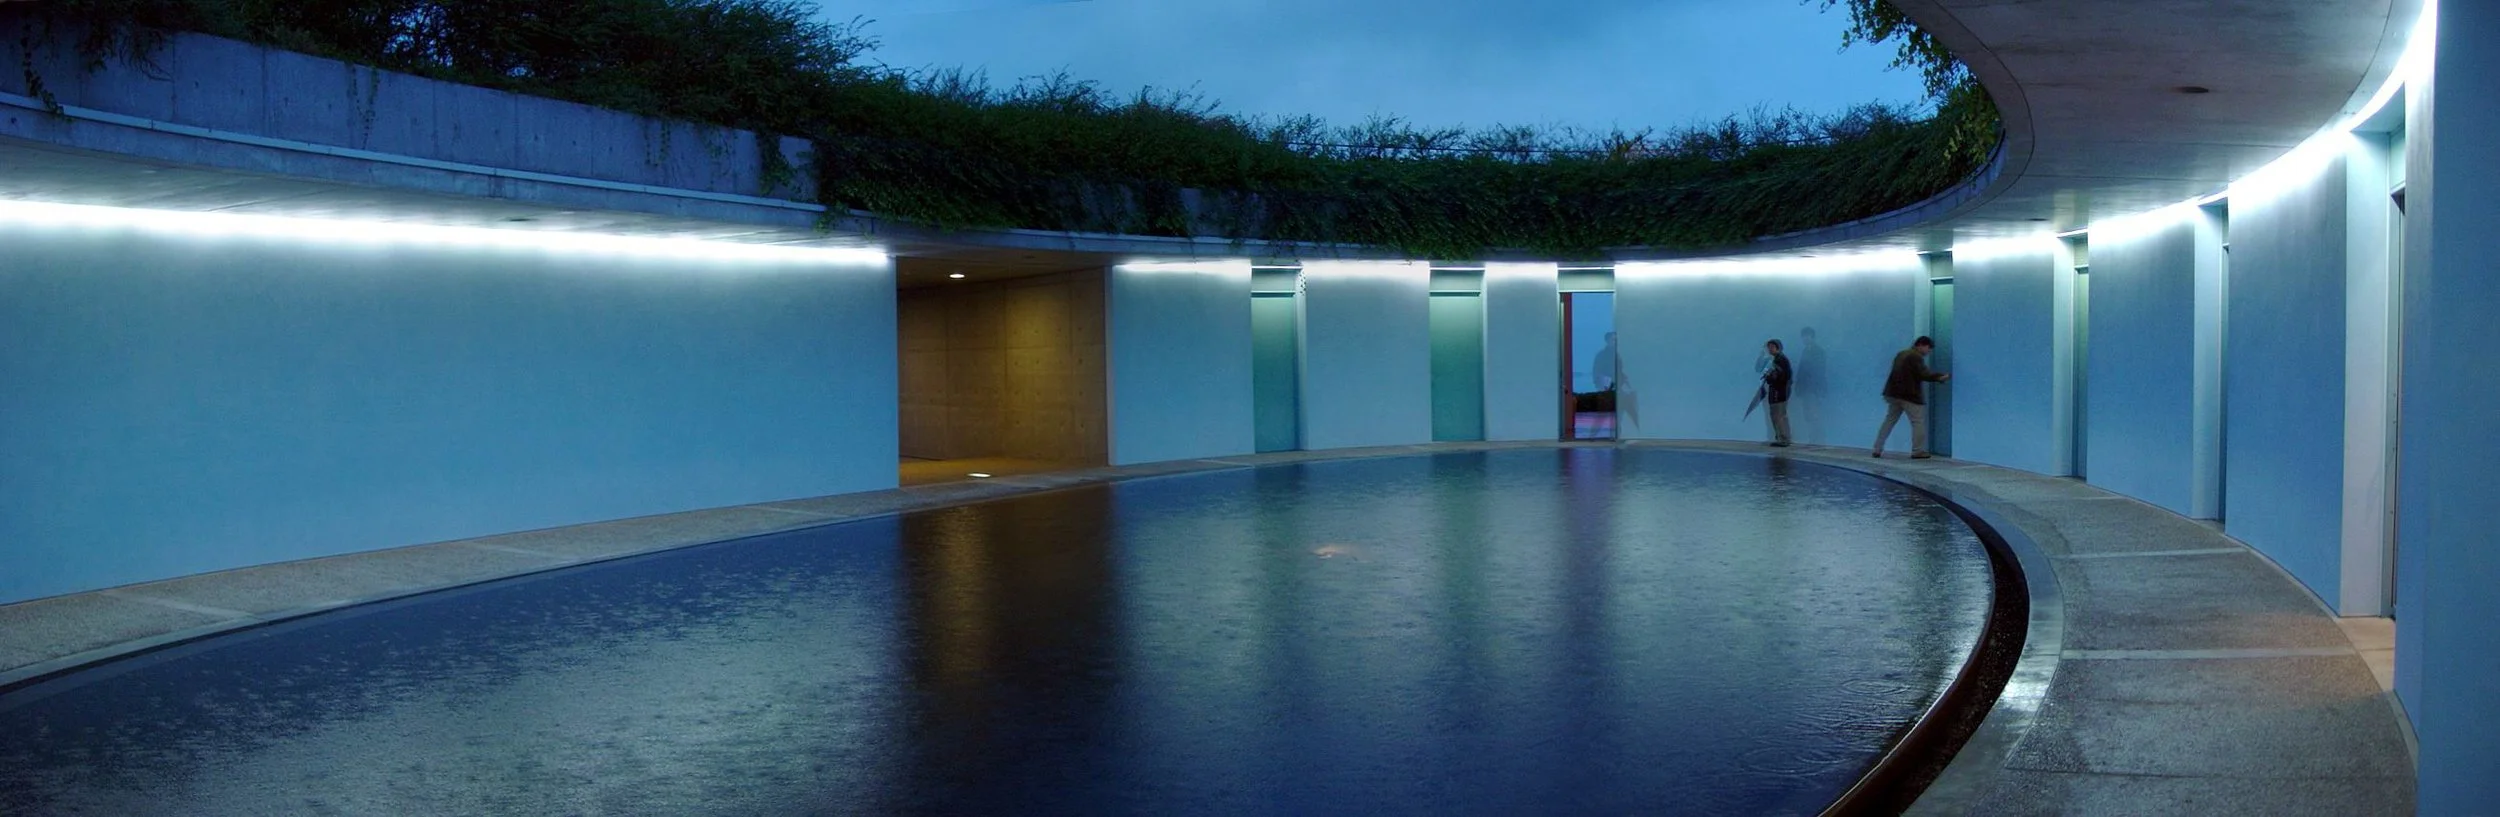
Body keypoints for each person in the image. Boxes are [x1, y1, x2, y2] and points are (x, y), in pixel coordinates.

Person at [1875, 336, 1950, 459]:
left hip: (1893, 394)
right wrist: (1939, 377)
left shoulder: (1901, 354)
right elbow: (1924, 374)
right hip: (1909, 395)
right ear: (1921, 345)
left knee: (1889, 421)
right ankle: (1918, 451)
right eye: (1928, 348)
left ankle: (1877, 448)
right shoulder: (1915, 357)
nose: (1928, 351)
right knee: (1918, 422)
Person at [1761, 339, 1794, 447]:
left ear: (1778, 347)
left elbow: (1782, 377)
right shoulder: (1778, 359)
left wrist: (1770, 377)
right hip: (1780, 391)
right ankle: (1782, 437)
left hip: (1779, 392)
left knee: (1777, 415)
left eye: (1772, 347)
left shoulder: (1780, 360)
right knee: (1779, 415)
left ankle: (1783, 439)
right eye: (1769, 347)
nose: (1770, 349)